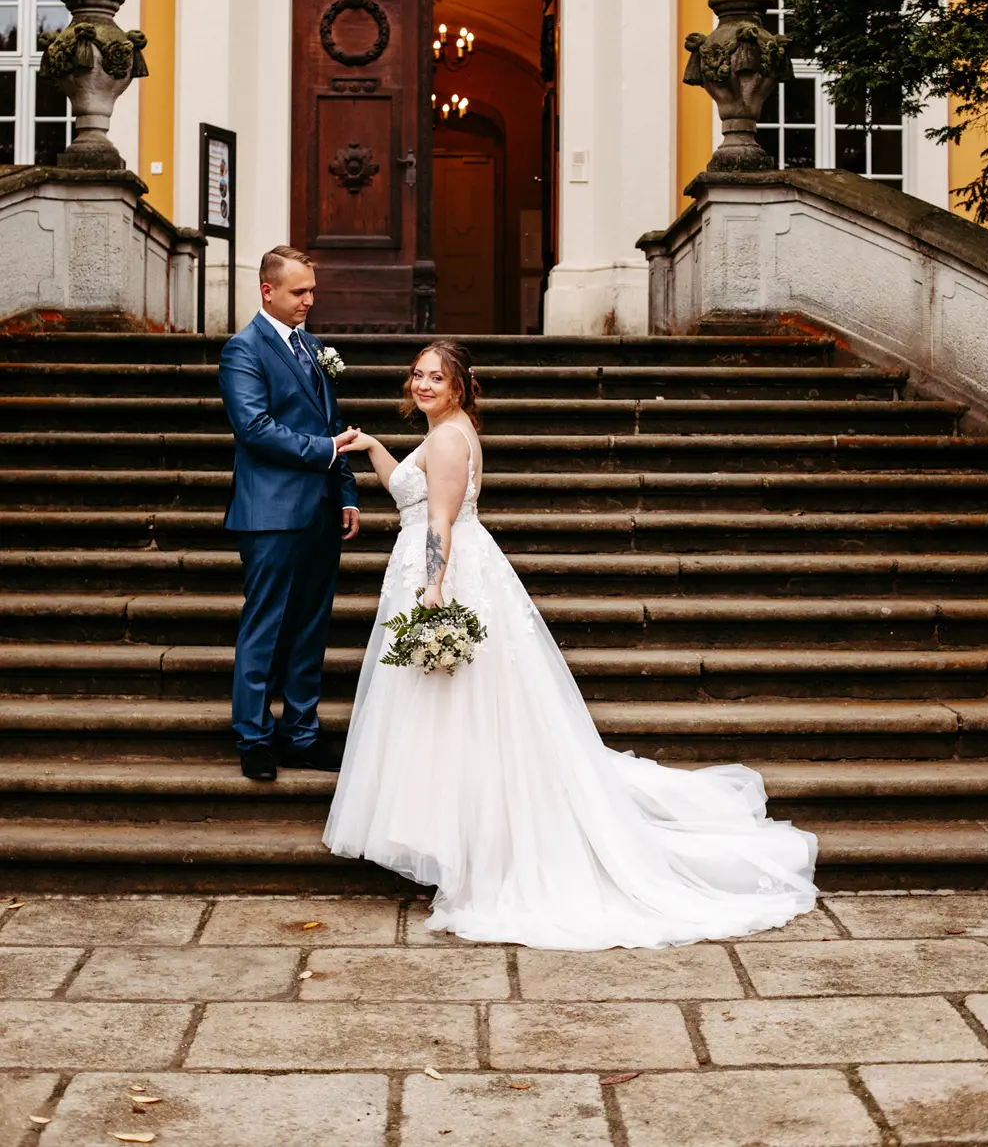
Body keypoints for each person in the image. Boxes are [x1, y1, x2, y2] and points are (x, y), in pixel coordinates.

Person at [324, 341, 818, 950]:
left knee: (461, 713)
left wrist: (432, 590)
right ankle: (455, 841)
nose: (423, 384)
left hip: (443, 573)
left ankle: (476, 851)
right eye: (418, 375)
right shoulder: (443, 430)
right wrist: (375, 447)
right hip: (437, 567)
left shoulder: (451, 439)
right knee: (448, 714)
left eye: (436, 377)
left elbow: (440, 521)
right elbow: (411, 492)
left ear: (459, 387)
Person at [218, 246, 360, 782]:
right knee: (266, 626)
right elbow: (253, 428)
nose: (308, 300)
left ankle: (301, 733)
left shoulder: (315, 347)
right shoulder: (243, 351)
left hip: (322, 510)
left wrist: (346, 492)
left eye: (312, 291)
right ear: (267, 291)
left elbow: (335, 423)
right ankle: (254, 737)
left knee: (309, 627)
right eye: (299, 291)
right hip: (271, 513)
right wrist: (325, 452)